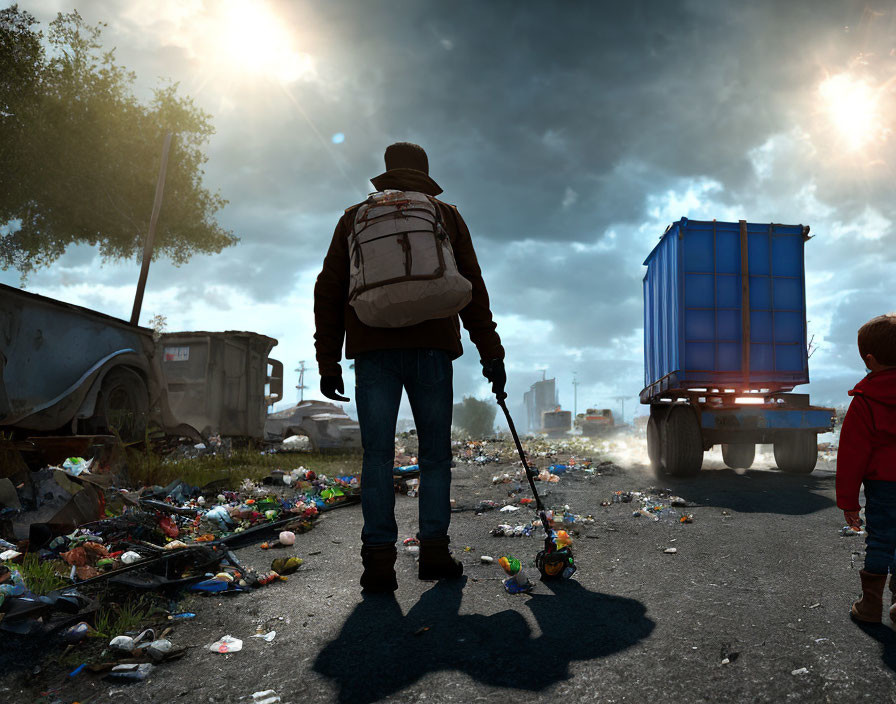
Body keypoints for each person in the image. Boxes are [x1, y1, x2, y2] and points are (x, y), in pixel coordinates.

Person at [313, 142, 506, 592]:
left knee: (377, 457)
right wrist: (490, 351)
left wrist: (328, 359)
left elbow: (330, 289)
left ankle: (379, 562)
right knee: (435, 455)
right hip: (432, 347)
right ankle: (434, 553)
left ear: (386, 174)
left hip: (372, 348)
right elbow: (473, 286)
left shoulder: (353, 217)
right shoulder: (445, 215)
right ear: (424, 174)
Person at [836, 312, 896, 622]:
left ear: (870, 360)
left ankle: (871, 605)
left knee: (880, 539)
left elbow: (851, 456)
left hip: (883, 486)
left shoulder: (865, 401)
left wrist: (849, 503)